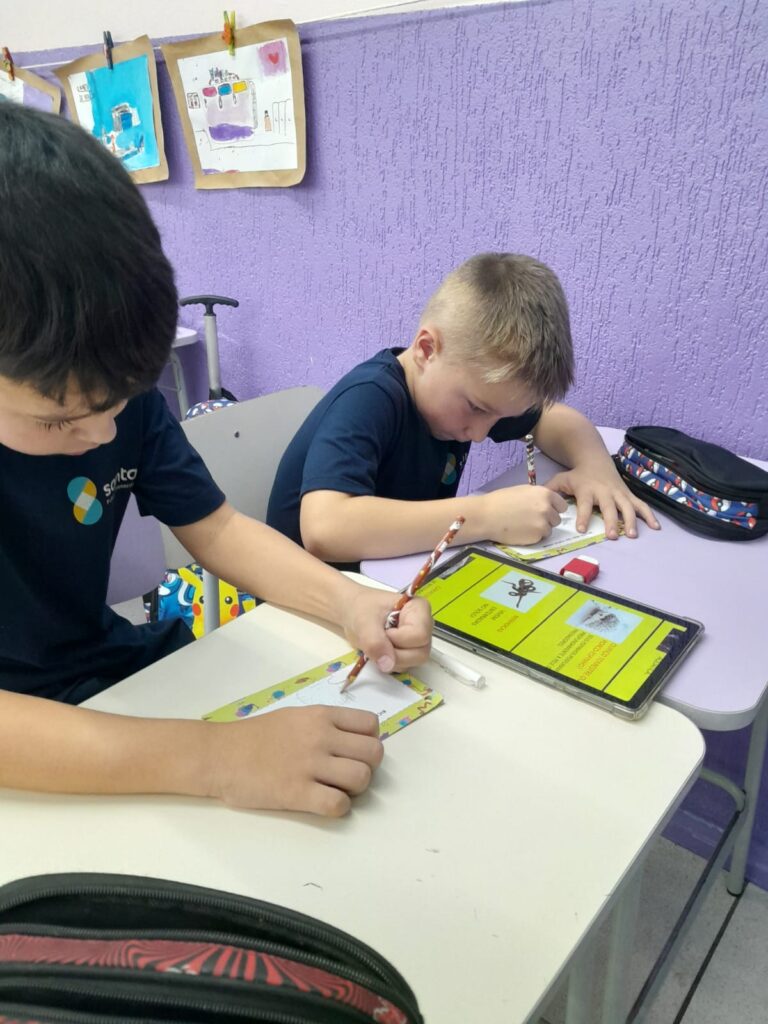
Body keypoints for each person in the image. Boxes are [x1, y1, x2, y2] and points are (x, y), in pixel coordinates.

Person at [0, 104, 432, 818]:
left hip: (109, 675)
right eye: (58, 420)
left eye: (120, 401)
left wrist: (348, 601)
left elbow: (220, 529)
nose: (104, 434)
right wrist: (216, 759)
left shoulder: (110, 396)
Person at [267, 252, 659, 565]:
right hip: (302, 608)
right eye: (476, 408)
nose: (482, 432)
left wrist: (596, 469)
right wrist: (484, 515)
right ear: (426, 350)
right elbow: (324, 530)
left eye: (500, 417)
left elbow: (553, 418)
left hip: (392, 581)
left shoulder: (471, 394)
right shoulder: (370, 398)